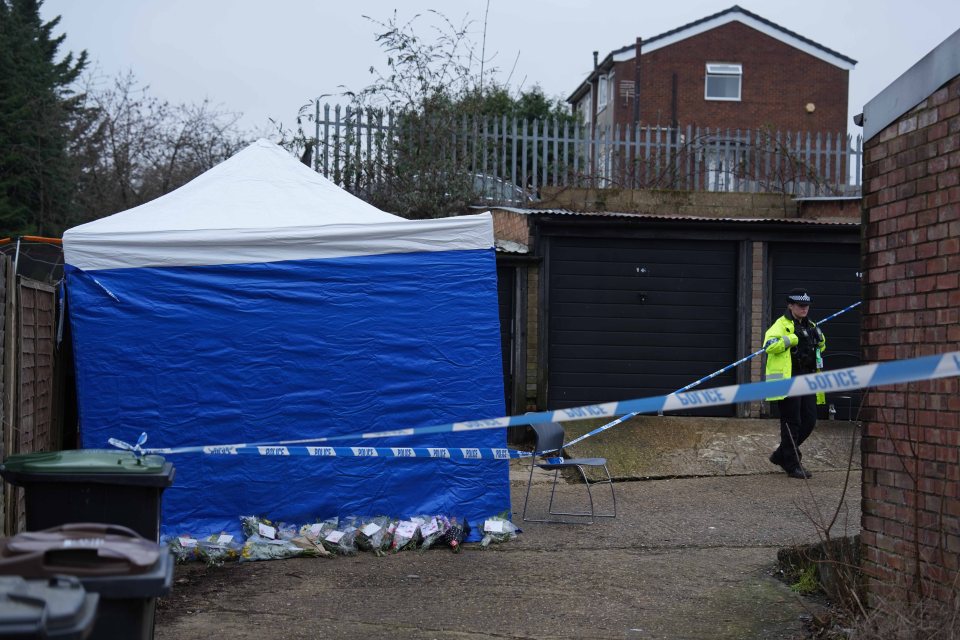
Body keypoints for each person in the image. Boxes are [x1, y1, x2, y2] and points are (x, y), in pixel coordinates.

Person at [763, 288, 826, 479]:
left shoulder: (811, 324)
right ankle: (792, 464)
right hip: (786, 379)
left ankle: (782, 454)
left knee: (809, 420)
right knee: (792, 422)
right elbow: (769, 345)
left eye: (806, 305)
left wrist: (820, 338)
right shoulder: (780, 324)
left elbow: (821, 346)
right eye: (800, 305)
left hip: (807, 378)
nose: (804, 309)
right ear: (790, 306)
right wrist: (791, 339)